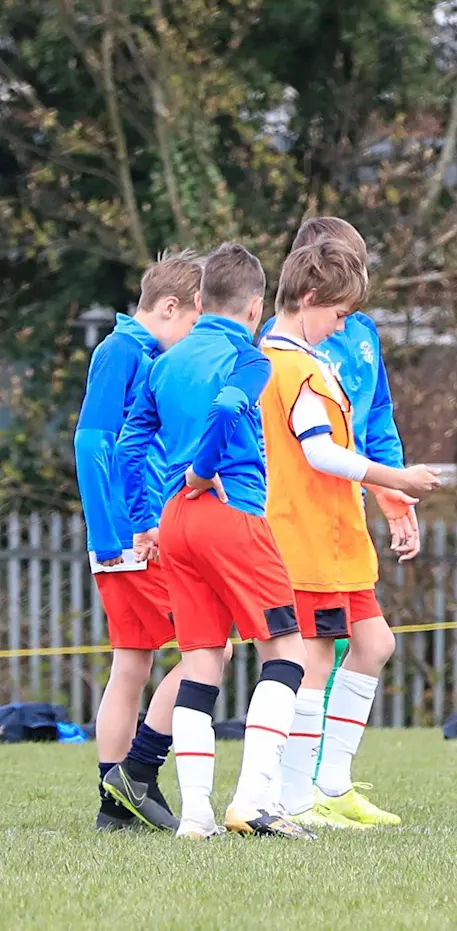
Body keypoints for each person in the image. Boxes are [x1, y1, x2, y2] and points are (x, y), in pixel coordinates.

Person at [118, 242, 314, 840]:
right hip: (231, 513)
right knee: (287, 651)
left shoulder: (165, 361)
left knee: (202, 659)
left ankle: (196, 817)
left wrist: (144, 520)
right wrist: (204, 470)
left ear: (199, 301)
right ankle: (252, 803)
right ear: (255, 308)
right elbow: (230, 408)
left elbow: (129, 447)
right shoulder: (250, 359)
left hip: (175, 523)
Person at [260, 240, 441, 829]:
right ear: (311, 297)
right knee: (311, 660)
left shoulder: (312, 356)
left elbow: (368, 422)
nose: (345, 326)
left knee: (374, 643)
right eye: (339, 314)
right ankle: (294, 798)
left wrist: (386, 492)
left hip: (338, 534)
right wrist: (397, 477)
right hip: (305, 536)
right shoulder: (288, 362)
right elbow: (320, 453)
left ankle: (328, 786)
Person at [76, 252, 205, 832]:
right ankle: (138, 773)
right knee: (209, 650)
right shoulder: (121, 351)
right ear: (170, 307)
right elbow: (91, 442)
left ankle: (114, 805)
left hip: (137, 535)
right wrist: (112, 533)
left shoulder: (148, 356)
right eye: (196, 324)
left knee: (132, 663)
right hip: (132, 540)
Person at [261, 217, 419, 563]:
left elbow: (377, 416)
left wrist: (393, 484)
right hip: (296, 501)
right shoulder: (280, 341)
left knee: (351, 590)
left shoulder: (364, 332)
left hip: (352, 490)